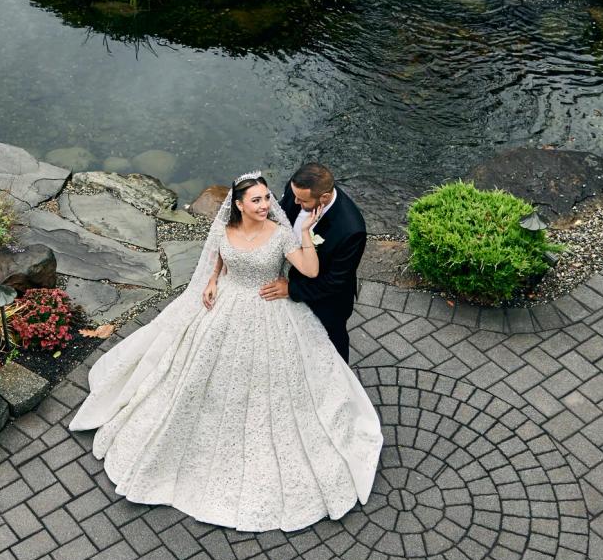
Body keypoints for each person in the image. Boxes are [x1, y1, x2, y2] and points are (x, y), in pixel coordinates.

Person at [68, 171, 382, 532]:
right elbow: (219, 256)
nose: (270, 205)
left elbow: (313, 271)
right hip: (227, 308)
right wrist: (214, 279)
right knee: (201, 374)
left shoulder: (286, 233)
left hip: (274, 309)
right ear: (238, 205)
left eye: (268, 199)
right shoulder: (226, 229)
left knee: (280, 381)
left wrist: (306, 238)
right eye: (258, 200)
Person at [269, 163, 367, 363]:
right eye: (294, 194)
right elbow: (279, 218)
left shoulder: (351, 230)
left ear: (324, 197)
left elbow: (335, 281)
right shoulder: (299, 188)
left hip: (326, 301)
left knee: (332, 343)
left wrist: (291, 289)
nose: (294, 201)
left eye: (302, 200)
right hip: (287, 275)